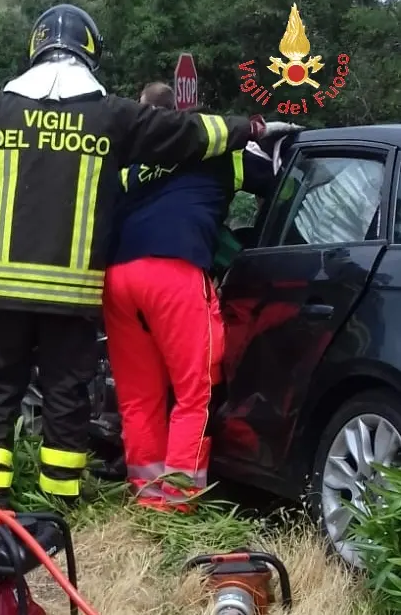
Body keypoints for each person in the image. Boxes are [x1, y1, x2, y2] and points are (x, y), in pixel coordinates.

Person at [0, 3, 301, 510]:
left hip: (1, 293)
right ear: (90, 52)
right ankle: (56, 506)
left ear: (35, 47)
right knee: (67, 396)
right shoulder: (110, 114)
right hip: (74, 296)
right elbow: (190, 135)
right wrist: (254, 129)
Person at [104, 81, 282, 512]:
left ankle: (148, 499)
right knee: (194, 392)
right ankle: (180, 500)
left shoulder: (136, 164)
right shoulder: (224, 154)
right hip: (174, 272)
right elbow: (277, 183)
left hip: (119, 278)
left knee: (138, 397)